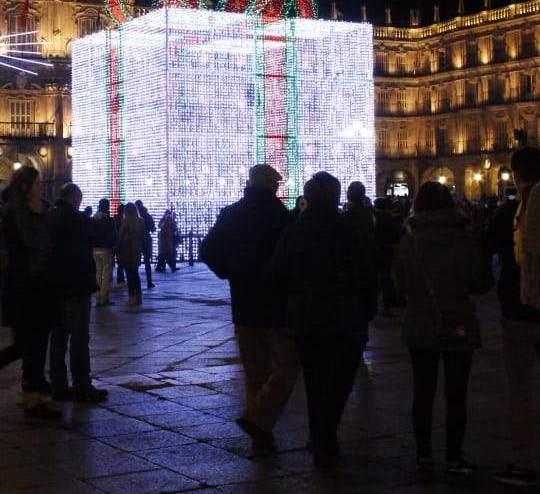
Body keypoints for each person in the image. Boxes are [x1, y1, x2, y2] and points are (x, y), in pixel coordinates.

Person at [265, 171, 376, 472]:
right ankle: (325, 434)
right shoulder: (349, 231)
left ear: (307, 198)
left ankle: (320, 435)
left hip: (307, 318)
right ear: (337, 197)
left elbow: (276, 274)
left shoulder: (294, 232)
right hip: (345, 319)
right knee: (341, 381)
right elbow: (365, 276)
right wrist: (367, 311)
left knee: (314, 381)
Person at [393, 180, 494, 479]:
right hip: (458, 322)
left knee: (422, 393)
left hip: (420, 324)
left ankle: (423, 456)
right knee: (456, 394)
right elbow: (482, 284)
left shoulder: (408, 242)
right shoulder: (465, 240)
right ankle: (453, 457)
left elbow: (401, 284)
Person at [200, 163, 298, 457]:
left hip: (243, 302)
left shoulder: (232, 213)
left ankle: (261, 435)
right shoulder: (282, 216)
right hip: (276, 304)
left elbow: (207, 250)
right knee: (290, 363)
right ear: (272, 186)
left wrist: (231, 273)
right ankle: (258, 418)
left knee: (255, 371)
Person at [479, 145, 540, 487]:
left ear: (517, 176)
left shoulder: (511, 212)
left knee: (520, 390)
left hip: (517, 308)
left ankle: (525, 461)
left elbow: (486, 245)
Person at [0, 165, 62, 420]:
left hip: (41, 284)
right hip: (22, 285)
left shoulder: (39, 211)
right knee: (23, 345)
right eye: (37, 183)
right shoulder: (15, 212)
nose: (41, 187)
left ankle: (32, 401)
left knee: (38, 344)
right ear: (25, 187)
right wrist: (43, 217)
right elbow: (34, 243)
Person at [46, 183, 107, 403]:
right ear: (75, 198)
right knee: (80, 337)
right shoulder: (76, 218)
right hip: (76, 284)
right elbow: (91, 240)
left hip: (55, 285)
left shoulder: (49, 217)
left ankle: (58, 385)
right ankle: (82, 385)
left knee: (58, 337)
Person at [115, 203, 146, 307]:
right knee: (135, 274)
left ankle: (131, 297)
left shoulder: (126, 222)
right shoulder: (140, 221)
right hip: (137, 251)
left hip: (127, 251)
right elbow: (143, 237)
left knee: (129, 274)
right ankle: (139, 295)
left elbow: (121, 237)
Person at [89, 199, 117, 307]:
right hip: (106, 249)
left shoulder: (93, 219)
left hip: (95, 249)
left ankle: (97, 296)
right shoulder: (109, 220)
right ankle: (104, 298)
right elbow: (113, 234)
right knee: (107, 275)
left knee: (97, 273)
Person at [135, 200, 156, 289]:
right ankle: (149, 282)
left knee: (135, 263)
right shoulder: (148, 216)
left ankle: (136, 283)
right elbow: (153, 229)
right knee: (147, 262)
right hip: (146, 240)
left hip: (136, 241)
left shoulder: (133, 217)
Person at [155, 208, 181, 272]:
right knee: (168, 255)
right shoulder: (167, 225)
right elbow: (174, 230)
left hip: (166, 242)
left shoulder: (163, 224)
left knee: (163, 255)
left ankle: (161, 267)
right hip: (168, 242)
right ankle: (171, 267)